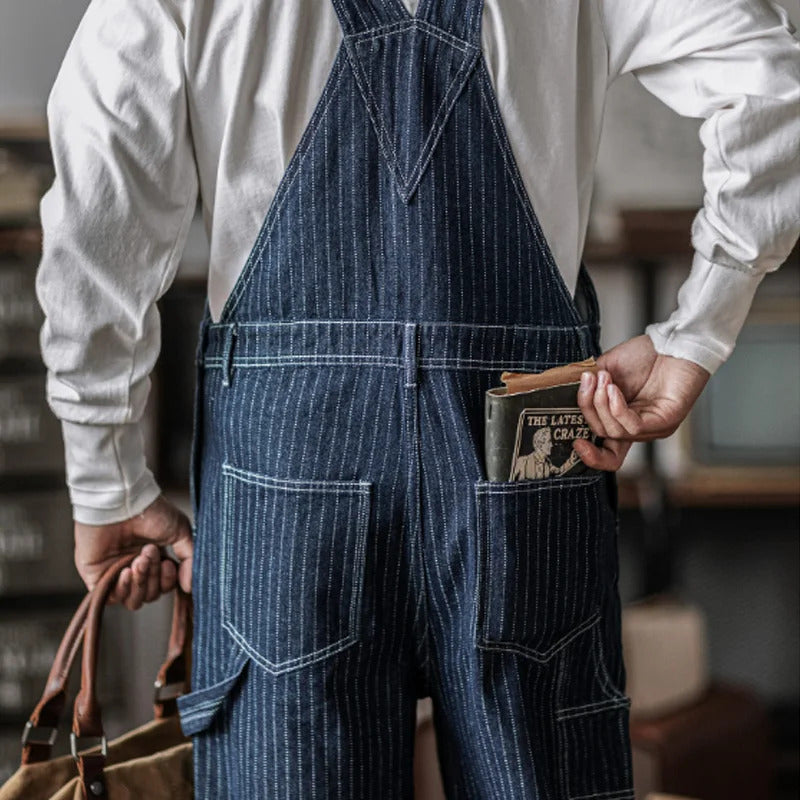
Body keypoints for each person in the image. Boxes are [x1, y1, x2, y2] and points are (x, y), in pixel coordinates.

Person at [35, 0, 799, 796]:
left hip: (289, 470)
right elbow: (772, 83)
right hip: (516, 455)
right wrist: (696, 332)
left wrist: (107, 478)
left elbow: (100, 198)